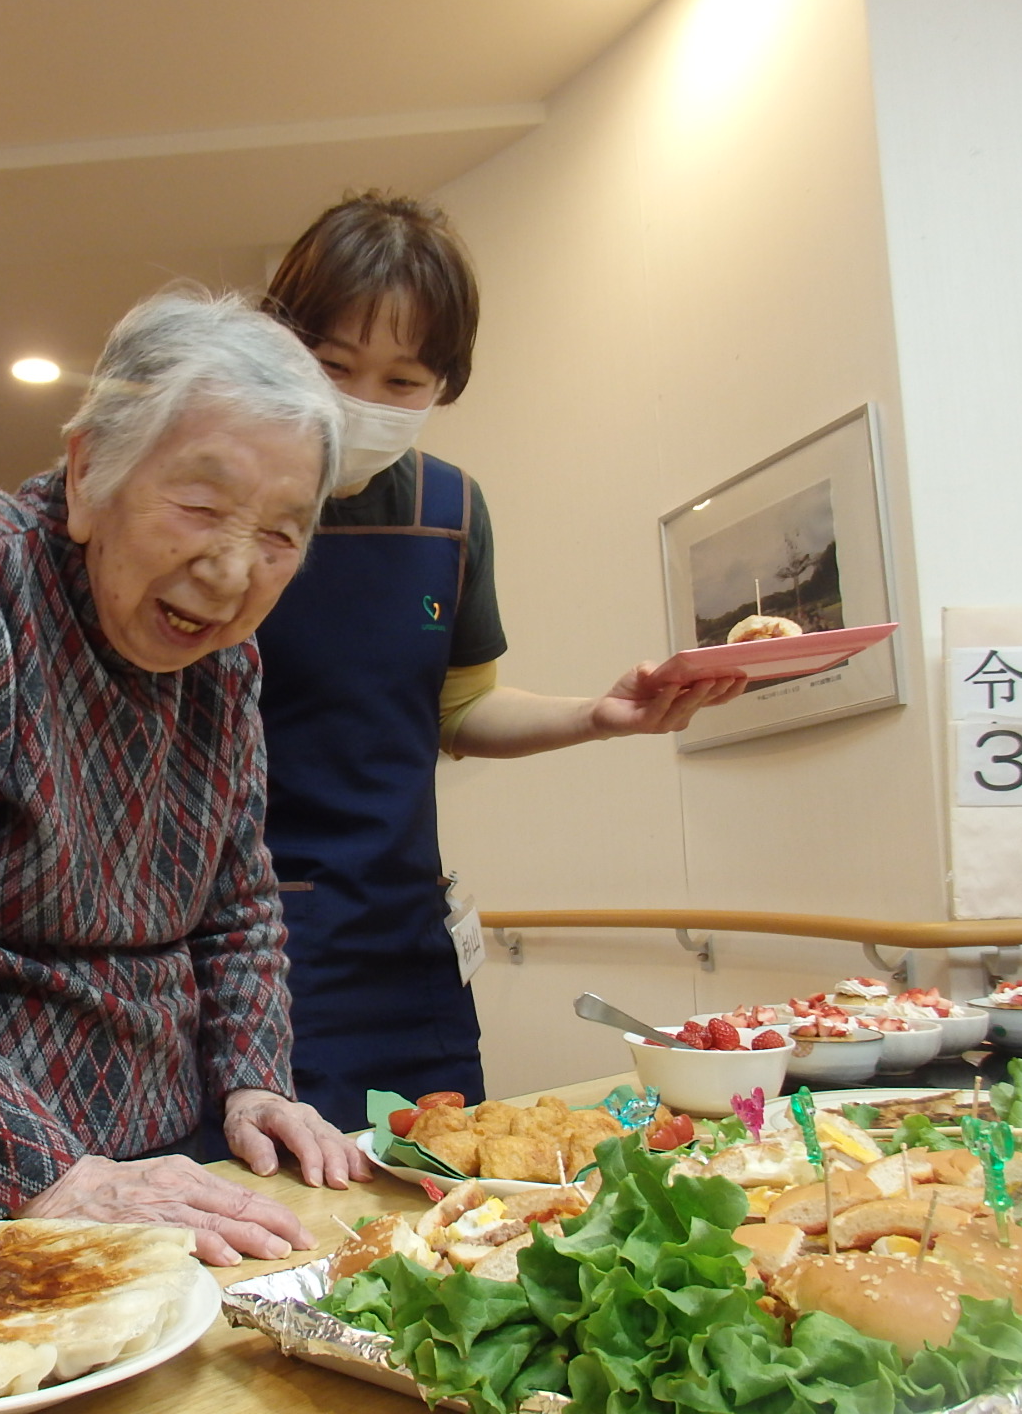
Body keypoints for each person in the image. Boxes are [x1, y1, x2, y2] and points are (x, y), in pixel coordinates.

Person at [0, 290, 372, 1266]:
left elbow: (238, 899)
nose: (229, 573)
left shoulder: (226, 660)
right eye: (201, 507)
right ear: (89, 472)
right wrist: (47, 1172)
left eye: (280, 535)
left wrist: (255, 1079)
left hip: (156, 1144)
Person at [255, 193, 744, 1132]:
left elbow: (458, 709)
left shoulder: (449, 512)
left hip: (403, 937)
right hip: (245, 943)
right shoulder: (220, 502)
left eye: (403, 381)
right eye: (334, 366)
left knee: (442, 1172)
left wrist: (597, 716)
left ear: (446, 384)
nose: (362, 401)